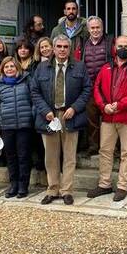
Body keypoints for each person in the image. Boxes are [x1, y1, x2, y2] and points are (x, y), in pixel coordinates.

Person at [30, 34, 92, 205]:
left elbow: (87, 89)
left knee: (69, 156)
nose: (62, 50)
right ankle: (53, 189)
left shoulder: (79, 66)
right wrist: (45, 111)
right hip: (49, 117)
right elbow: (34, 91)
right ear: (54, 48)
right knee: (51, 156)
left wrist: (75, 108)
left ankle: (67, 191)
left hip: (70, 116)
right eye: (59, 47)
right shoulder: (42, 68)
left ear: (69, 48)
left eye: (65, 47)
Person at [87, 35, 127, 201]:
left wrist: (120, 104)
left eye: (126, 46)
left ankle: (123, 186)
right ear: (115, 47)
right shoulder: (106, 67)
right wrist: (103, 106)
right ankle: (104, 184)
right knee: (105, 151)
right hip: (108, 117)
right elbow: (97, 88)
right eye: (120, 46)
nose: (123, 49)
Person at [0, 56, 35, 199]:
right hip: (6, 126)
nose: (9, 69)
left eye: (12, 66)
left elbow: (34, 100)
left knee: (23, 156)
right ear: (3, 69)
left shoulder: (26, 80)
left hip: (24, 125)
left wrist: (32, 117)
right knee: (10, 157)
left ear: (17, 67)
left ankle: (23, 185)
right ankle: (13, 184)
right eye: (6, 67)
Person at [78, 16, 115, 155]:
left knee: (108, 119)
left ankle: (111, 148)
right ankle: (93, 147)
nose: (95, 30)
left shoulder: (109, 43)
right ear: (88, 29)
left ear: (102, 28)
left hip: (106, 88)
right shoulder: (83, 44)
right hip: (89, 88)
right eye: (92, 28)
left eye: (98, 27)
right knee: (91, 119)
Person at [15, 36, 45, 172]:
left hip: (33, 102)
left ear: (30, 50)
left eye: (26, 48)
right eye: (20, 48)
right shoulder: (13, 64)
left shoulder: (36, 64)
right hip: (19, 103)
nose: (23, 50)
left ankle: (40, 161)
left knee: (36, 133)